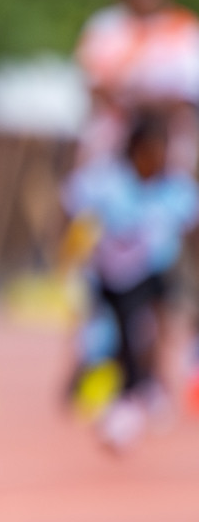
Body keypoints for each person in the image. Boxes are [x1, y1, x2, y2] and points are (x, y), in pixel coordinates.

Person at [64, 112, 198, 451]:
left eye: (161, 152)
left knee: (161, 324)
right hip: (112, 275)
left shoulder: (174, 188)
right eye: (149, 152)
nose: (155, 160)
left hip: (153, 271)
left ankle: (151, 387)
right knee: (110, 337)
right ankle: (109, 390)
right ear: (134, 149)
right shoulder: (107, 183)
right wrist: (72, 254)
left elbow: (190, 228)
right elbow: (73, 210)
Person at [75, 0, 199, 172]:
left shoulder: (185, 29)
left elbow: (188, 94)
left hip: (167, 142)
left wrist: (146, 109)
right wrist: (129, 108)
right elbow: (93, 83)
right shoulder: (106, 26)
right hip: (112, 139)